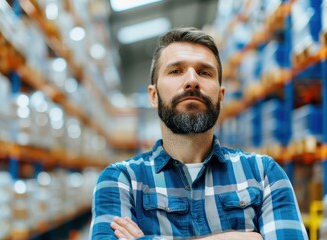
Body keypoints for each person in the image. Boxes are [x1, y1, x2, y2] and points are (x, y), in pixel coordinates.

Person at [89, 27, 308, 239]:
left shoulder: (264, 174)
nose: (192, 80)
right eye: (176, 71)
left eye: (204, 72)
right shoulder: (122, 180)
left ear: (221, 96)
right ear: (153, 95)